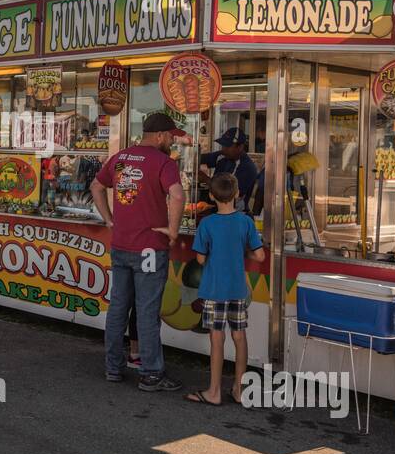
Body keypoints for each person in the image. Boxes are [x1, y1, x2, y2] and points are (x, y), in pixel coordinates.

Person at [91, 112, 185, 391]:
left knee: (118, 308)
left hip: (121, 244)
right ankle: (151, 373)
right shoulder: (164, 162)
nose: (172, 141)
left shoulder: (121, 158)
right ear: (159, 136)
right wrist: (173, 229)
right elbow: (178, 195)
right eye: (171, 136)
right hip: (149, 249)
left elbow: (96, 186)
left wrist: (109, 219)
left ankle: (113, 368)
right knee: (147, 311)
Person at [187, 173, 265, 406]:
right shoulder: (245, 222)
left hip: (213, 289)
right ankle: (239, 389)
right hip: (238, 290)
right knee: (239, 337)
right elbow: (260, 255)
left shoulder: (207, 223)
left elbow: (200, 260)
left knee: (217, 340)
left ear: (211, 196)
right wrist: (242, 251)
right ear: (238, 194)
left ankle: (214, 392)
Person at [200, 127, 259, 211]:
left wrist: (205, 179)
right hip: (214, 210)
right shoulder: (223, 156)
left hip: (235, 215)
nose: (224, 149)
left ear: (240, 147)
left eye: (228, 146)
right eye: (223, 145)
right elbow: (200, 158)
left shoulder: (248, 168)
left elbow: (227, 194)